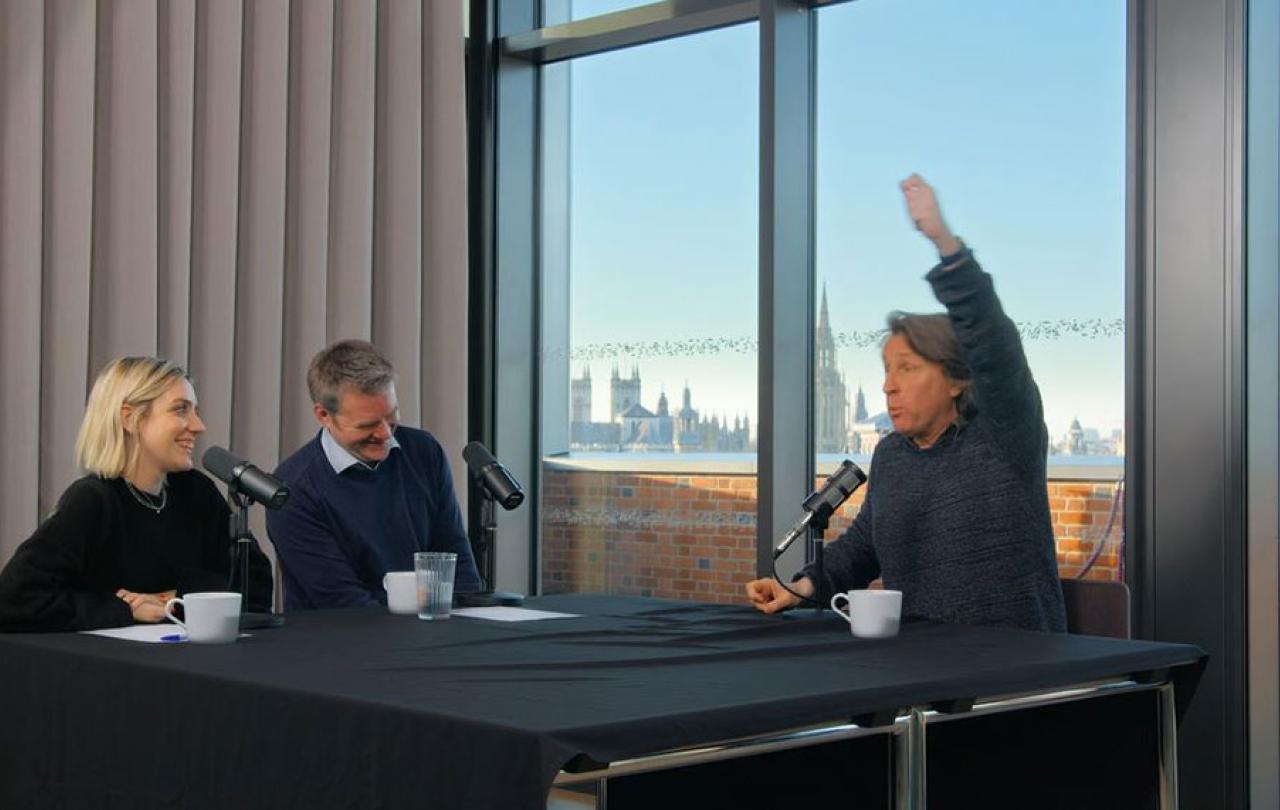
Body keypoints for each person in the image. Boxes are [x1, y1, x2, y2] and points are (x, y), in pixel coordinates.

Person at [746, 175, 1067, 633]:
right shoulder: (893, 454)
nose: (888, 387)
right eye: (887, 370)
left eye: (908, 369)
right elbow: (861, 549)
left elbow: (995, 343)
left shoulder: (1003, 434)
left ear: (957, 379)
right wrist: (799, 587)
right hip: (917, 671)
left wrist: (944, 243)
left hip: (1011, 671)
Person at [0, 357, 273, 632]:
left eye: (195, 411)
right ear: (130, 418)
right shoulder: (93, 501)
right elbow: (15, 600)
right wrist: (126, 609)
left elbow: (256, 585)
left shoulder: (195, 491)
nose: (198, 425)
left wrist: (180, 596)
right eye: (181, 410)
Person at [266, 339, 481, 610]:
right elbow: (341, 602)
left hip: (433, 634)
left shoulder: (424, 452)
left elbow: (455, 562)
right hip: (342, 643)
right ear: (323, 415)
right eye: (367, 425)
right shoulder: (292, 489)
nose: (385, 434)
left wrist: (468, 624)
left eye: (391, 416)